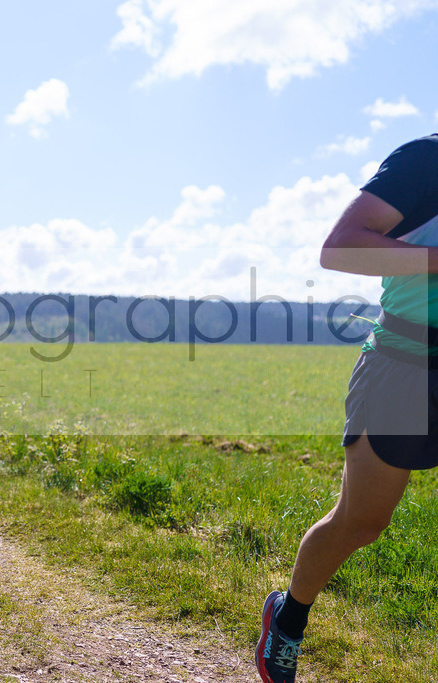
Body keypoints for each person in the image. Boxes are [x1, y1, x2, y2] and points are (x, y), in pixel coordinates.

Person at [257, 132, 438, 683]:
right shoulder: (425, 160)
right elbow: (340, 248)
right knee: (362, 521)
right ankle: (288, 617)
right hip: (404, 367)